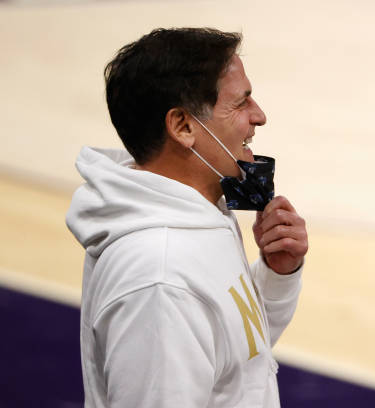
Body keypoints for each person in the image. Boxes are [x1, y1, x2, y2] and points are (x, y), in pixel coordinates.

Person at [66, 27, 308, 407]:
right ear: (183, 127)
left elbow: (239, 359)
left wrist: (277, 274)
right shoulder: (159, 278)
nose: (259, 116)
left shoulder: (199, 210)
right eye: (240, 103)